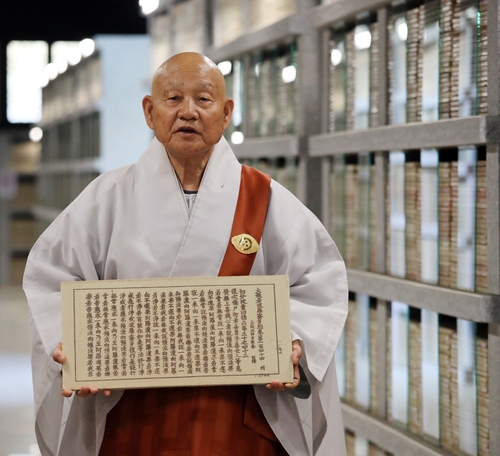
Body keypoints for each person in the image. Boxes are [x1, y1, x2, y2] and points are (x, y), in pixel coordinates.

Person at [24, 52, 348, 455]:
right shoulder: (106, 199)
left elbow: (318, 282)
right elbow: (51, 275)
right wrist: (71, 341)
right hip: (132, 410)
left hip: (239, 416)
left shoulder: (265, 199)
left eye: (204, 100)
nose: (188, 112)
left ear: (227, 112)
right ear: (149, 111)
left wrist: (296, 340)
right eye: (173, 99)